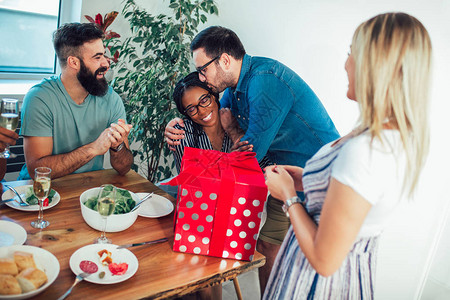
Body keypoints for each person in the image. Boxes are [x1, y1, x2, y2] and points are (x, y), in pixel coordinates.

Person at [263, 12, 431, 299]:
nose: (345, 64)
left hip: (315, 286)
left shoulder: (365, 152)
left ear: (375, 66)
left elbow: (325, 260)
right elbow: (353, 200)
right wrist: (307, 180)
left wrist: (289, 196)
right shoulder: (393, 137)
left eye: (352, 53)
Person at [164, 26, 340, 293]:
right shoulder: (233, 90)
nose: (201, 76)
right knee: (267, 245)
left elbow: (246, 159)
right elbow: (221, 128)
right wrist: (177, 124)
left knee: (305, 265)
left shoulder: (264, 82)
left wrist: (193, 185)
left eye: (203, 69)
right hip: (284, 177)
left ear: (224, 60)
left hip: (317, 180)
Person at [18, 22, 133, 180]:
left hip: (87, 190)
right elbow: (37, 170)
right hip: (39, 193)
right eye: (97, 57)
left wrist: (117, 146)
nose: (106, 63)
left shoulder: (110, 98)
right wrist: (93, 148)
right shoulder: (39, 98)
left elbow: (124, 168)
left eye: (104, 55)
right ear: (74, 62)